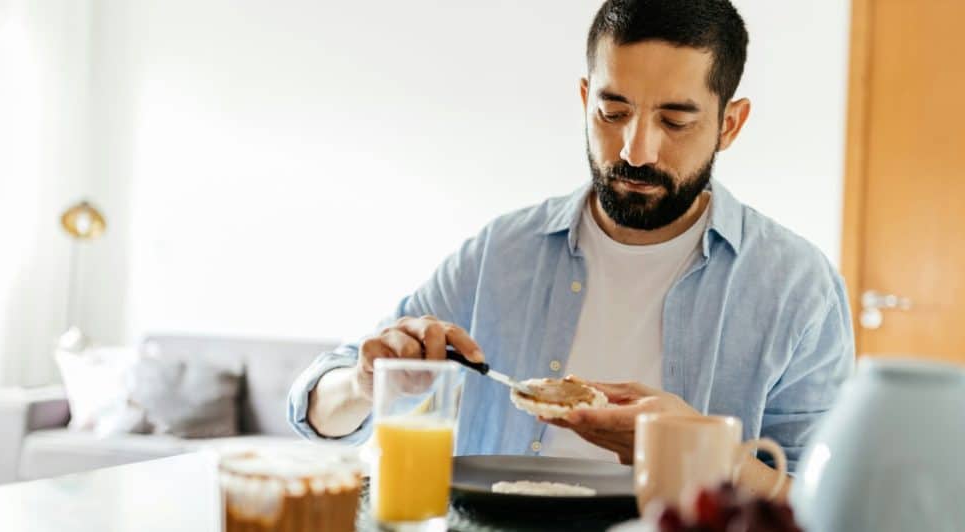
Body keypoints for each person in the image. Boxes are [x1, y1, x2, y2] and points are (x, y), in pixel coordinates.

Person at [287, 0, 853, 499]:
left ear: (729, 124)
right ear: (585, 99)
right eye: (613, 112)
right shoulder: (500, 254)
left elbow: (830, 506)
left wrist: (708, 455)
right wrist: (365, 384)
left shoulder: (799, 289)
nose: (635, 150)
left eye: (675, 120)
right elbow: (317, 409)